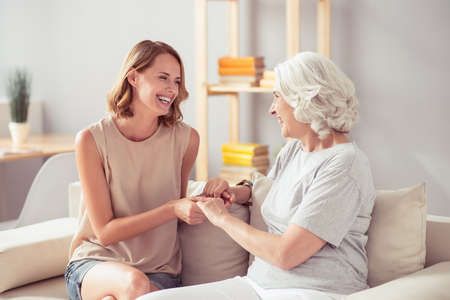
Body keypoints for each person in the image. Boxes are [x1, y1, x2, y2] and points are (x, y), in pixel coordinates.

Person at [136, 52, 376, 300]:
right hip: (258, 285)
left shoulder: (345, 164)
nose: (272, 109)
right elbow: (271, 189)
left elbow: (286, 255)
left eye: (277, 97)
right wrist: (237, 192)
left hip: (314, 290)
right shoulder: (295, 149)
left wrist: (222, 219)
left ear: (304, 99)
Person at [65, 40, 207, 300]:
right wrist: (171, 208)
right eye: (163, 77)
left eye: (176, 81)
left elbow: (181, 204)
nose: (172, 89)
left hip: (160, 271)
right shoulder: (91, 139)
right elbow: (105, 233)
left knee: (122, 293)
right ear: (133, 77)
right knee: (133, 285)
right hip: (96, 264)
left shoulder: (187, 140)